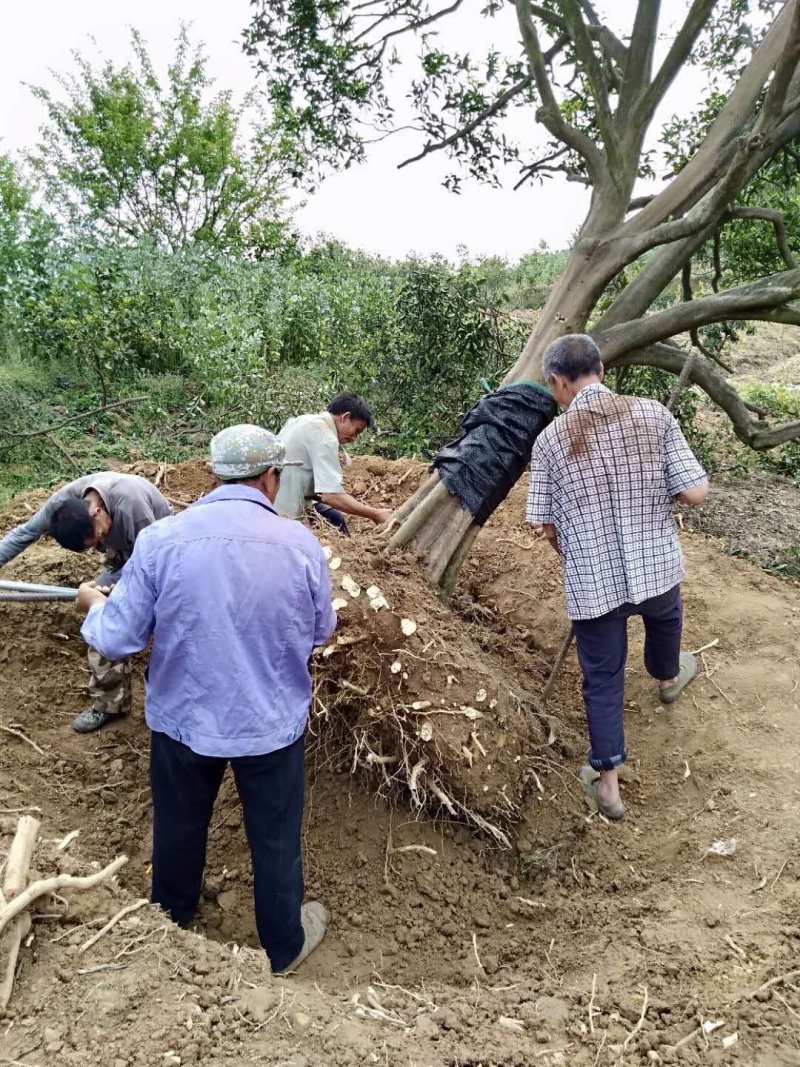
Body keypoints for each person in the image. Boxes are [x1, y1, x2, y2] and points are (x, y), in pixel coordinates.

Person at [76, 425, 337, 974]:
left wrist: (93, 605)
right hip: (269, 724)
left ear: (215, 473)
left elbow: (118, 638)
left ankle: (171, 923)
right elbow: (320, 630)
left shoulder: (162, 540)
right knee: (274, 837)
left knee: (178, 824)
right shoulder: (301, 545)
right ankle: (284, 945)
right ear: (270, 478)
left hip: (184, 720)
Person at [526, 335, 709, 820]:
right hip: (656, 566)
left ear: (560, 382)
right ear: (601, 369)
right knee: (666, 620)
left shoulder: (548, 441)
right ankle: (668, 677)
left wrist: (572, 544)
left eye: (554, 388)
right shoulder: (653, 414)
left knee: (603, 680)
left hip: (594, 583)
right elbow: (695, 494)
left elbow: (546, 527)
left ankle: (608, 787)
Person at [0, 472, 172, 733]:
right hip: (124, 544)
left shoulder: (132, 507)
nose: (100, 544)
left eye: (100, 537)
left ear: (97, 511)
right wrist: (107, 590)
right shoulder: (60, 508)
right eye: (94, 545)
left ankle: (173, 689)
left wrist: (119, 589)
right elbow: (23, 534)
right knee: (104, 620)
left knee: (155, 616)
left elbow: (150, 565)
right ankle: (110, 703)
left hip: (163, 546)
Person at [275, 393, 392, 533]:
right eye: (357, 431)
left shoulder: (301, 421)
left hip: (269, 496)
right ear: (345, 417)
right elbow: (331, 496)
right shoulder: (326, 437)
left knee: (334, 517)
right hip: (283, 513)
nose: (354, 438)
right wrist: (375, 513)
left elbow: (304, 477)